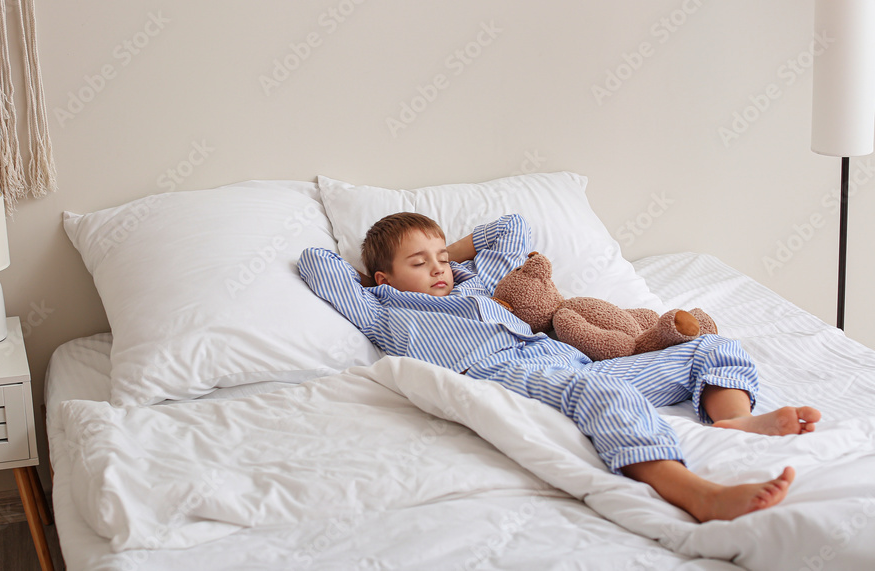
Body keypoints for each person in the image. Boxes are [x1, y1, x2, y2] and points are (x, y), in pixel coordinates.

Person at [297, 212, 822, 522]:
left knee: (712, 348)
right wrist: (376, 280)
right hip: (508, 377)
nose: (438, 269)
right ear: (384, 278)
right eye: (421, 263)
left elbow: (511, 228)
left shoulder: (474, 282)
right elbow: (316, 262)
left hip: (565, 359)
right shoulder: (384, 311)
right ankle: (694, 492)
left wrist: (442, 253)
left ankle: (732, 421)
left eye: (440, 258)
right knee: (606, 397)